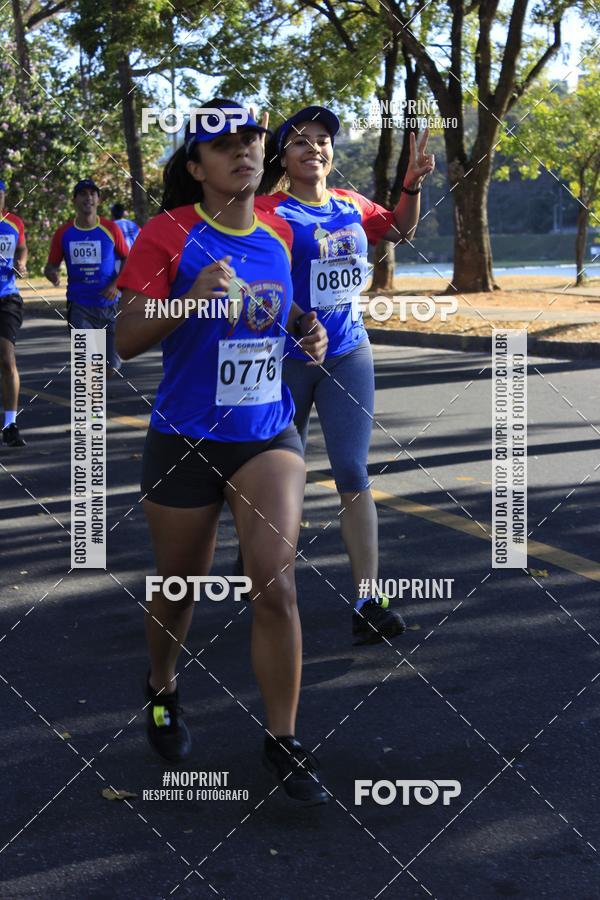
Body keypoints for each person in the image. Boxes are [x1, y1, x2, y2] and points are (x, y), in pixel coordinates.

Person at [116, 100, 330, 805]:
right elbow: (125, 338)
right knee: (179, 587)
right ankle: (161, 685)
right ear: (195, 165)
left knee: (276, 580)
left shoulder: (276, 233)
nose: (243, 152)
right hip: (185, 436)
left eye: (252, 140)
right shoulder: (167, 234)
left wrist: (305, 329)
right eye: (225, 144)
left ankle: (284, 739)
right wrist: (189, 301)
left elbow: (282, 312)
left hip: (266, 432)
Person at [256, 106, 435, 646]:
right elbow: (250, 273)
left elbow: (401, 229)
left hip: (349, 351)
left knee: (352, 471)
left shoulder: (352, 205)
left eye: (322, 140)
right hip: (284, 358)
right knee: (278, 479)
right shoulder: (265, 210)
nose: (314, 147)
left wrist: (409, 184)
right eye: (300, 141)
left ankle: (367, 599)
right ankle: (262, 567)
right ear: (282, 157)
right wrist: (295, 320)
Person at [44, 180, 129, 377]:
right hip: (80, 305)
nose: (88, 197)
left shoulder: (111, 229)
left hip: (110, 305)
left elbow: (128, 258)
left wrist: (116, 284)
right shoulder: (63, 233)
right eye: (82, 194)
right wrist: (52, 273)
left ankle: (95, 403)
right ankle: (93, 408)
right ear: (74, 200)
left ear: (98, 199)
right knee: (87, 364)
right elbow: (51, 265)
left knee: (110, 368)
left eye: (92, 193)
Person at [0, 177, 28, 447]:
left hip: (7, 297)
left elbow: (21, 247)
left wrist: (21, 261)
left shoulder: (14, 223)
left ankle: (10, 423)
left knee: (7, 360)